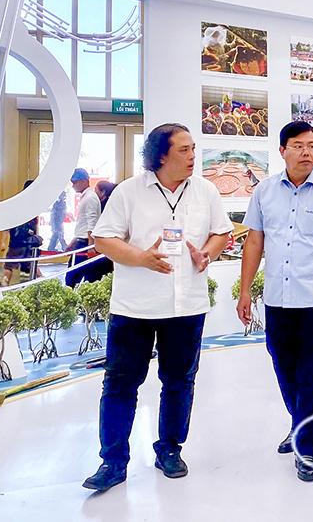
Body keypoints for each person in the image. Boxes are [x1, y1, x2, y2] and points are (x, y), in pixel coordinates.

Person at [82, 123, 232, 493]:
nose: (193, 156)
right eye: (184, 150)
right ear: (161, 155)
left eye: (193, 148)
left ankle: (169, 449)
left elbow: (222, 232)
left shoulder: (206, 190)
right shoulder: (130, 192)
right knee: (120, 384)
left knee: (180, 381)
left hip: (187, 306)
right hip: (135, 307)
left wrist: (207, 253)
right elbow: (103, 239)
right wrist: (141, 258)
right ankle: (113, 461)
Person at [237, 120, 313, 483]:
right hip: (277, 297)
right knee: (283, 365)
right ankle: (299, 421)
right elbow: (254, 242)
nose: (306, 152)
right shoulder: (264, 191)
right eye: (298, 146)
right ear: (283, 151)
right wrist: (245, 290)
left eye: (312, 146)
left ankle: (307, 448)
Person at [3, 180, 43, 285]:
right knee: (29, 265)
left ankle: (3, 285)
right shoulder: (33, 203)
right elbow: (33, 224)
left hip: (15, 241)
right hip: (27, 241)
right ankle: (41, 282)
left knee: (10, 266)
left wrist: (5, 240)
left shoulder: (18, 202)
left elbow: (9, 223)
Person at [65, 167, 101, 287]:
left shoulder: (90, 197)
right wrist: (73, 243)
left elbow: (92, 223)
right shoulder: (87, 197)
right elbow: (83, 225)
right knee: (74, 277)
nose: (73, 186)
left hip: (85, 243)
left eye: (74, 182)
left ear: (84, 181)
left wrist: (91, 246)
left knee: (73, 277)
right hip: (82, 242)